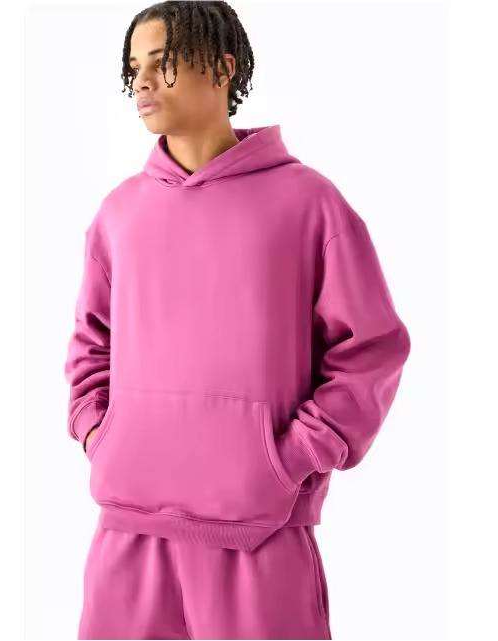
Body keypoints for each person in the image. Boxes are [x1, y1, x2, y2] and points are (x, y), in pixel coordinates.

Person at [63, 1, 411, 638]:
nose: (143, 81)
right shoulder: (119, 213)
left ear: (223, 69)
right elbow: (91, 343)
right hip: (126, 527)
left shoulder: (309, 204)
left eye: (163, 63)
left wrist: (291, 459)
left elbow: (370, 349)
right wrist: (96, 432)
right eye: (135, 67)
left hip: (260, 531)